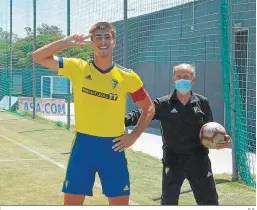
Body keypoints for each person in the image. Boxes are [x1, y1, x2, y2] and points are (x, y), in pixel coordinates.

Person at [32, 22, 155, 206]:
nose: (103, 41)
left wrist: (134, 136)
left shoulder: (127, 76)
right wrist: (65, 42)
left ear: (114, 42)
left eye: (107, 37)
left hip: (113, 147)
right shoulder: (77, 68)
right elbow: (38, 57)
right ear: (91, 42)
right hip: (84, 146)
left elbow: (149, 107)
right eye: (98, 38)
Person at [125, 64, 231, 205]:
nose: (182, 80)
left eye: (186, 77)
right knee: (169, 203)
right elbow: (141, 114)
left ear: (193, 79)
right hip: (173, 161)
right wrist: (121, 121)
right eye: (179, 76)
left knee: (209, 202)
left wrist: (220, 141)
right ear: (173, 79)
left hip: (199, 161)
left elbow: (211, 129)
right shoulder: (163, 104)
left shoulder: (202, 102)